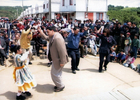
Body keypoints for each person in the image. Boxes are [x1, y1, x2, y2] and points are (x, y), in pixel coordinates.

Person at [38, 26, 69, 92]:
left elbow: (62, 51)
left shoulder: (57, 38)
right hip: (56, 60)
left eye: (48, 32)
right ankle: (59, 84)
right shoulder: (53, 36)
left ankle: (60, 86)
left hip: (59, 60)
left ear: (52, 30)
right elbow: (46, 38)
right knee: (57, 73)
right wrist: (41, 32)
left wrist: (62, 62)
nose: (47, 33)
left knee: (54, 74)